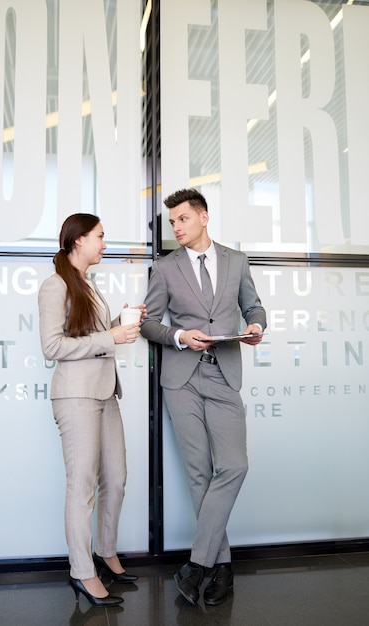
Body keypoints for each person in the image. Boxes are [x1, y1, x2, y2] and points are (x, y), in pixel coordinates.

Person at [141, 188, 266, 607]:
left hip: (224, 372)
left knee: (233, 466)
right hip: (182, 379)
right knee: (199, 474)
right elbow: (150, 324)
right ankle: (222, 567)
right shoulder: (165, 267)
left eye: (182, 219)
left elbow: (255, 307)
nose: (176, 227)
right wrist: (178, 336)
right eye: (172, 221)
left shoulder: (237, 260)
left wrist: (255, 327)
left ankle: (197, 564)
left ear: (204, 217)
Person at [38, 213, 145, 608]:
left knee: (115, 478)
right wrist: (110, 336)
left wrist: (122, 324)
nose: (105, 243)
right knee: (82, 486)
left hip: (104, 394)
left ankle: (107, 553)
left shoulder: (89, 285)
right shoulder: (55, 286)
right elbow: (52, 347)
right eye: (100, 236)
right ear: (78, 240)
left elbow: (92, 335)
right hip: (76, 396)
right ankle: (82, 572)